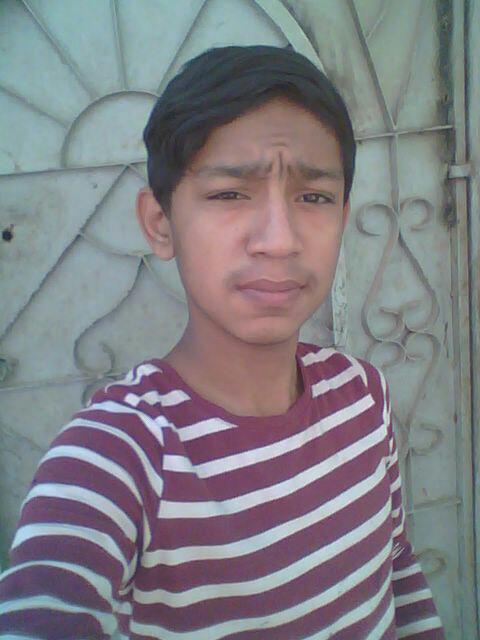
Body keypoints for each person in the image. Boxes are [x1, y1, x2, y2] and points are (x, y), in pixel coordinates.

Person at [0, 46, 444, 639]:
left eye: (313, 197)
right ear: (160, 223)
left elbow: (396, 568)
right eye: (230, 194)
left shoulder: (363, 396)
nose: (279, 240)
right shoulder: (117, 458)